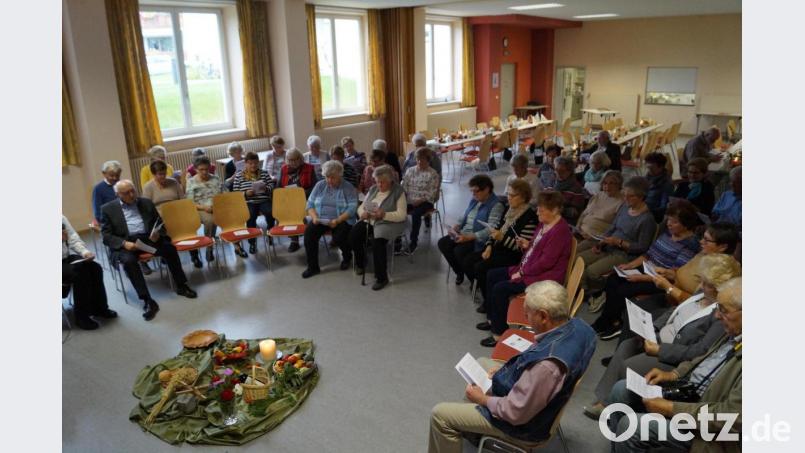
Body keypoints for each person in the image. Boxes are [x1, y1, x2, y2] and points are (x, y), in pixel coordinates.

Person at [428, 281, 596, 453]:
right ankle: (470, 427)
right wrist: (504, 372)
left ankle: (463, 422)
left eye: (528, 314)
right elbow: (535, 360)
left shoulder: (546, 368)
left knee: (440, 416)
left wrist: (482, 399)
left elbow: (515, 413)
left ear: (544, 316)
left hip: (524, 427)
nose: (526, 318)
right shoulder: (582, 329)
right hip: (537, 403)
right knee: (482, 363)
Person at [584, 254, 741, 420]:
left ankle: (613, 406)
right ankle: (605, 399)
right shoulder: (702, 294)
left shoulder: (720, 316)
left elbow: (699, 351)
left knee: (630, 365)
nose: (701, 286)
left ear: (719, 287)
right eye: (701, 281)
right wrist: (652, 328)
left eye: (706, 284)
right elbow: (672, 313)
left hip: (674, 354)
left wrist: (660, 350)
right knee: (627, 345)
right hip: (660, 338)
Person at [605, 277, 742, 453]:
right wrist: (674, 374)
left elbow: (730, 417)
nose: (716, 315)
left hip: (707, 431)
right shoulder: (733, 332)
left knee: (633, 426)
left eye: (723, 310)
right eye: (717, 307)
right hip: (689, 393)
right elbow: (702, 358)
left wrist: (671, 408)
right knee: (621, 389)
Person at [591, 200, 702, 339]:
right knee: (613, 279)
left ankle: (608, 322)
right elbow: (648, 255)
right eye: (668, 220)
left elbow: (674, 274)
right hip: (647, 269)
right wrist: (630, 265)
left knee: (623, 290)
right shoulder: (667, 233)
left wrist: (641, 277)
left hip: (660, 279)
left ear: (686, 225)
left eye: (674, 222)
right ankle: (612, 320)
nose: (669, 224)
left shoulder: (690, 245)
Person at [481, 191, 572, 346]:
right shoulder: (544, 223)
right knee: (491, 275)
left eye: (541, 210)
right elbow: (536, 248)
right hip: (529, 268)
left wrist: (522, 272)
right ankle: (492, 319)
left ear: (555, 210)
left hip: (544, 277)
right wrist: (526, 244)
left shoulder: (560, 231)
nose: (537, 212)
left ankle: (499, 333)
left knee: (500, 289)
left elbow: (546, 263)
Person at [101, 180, 197, 321]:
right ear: (118, 194)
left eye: (133, 190)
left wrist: (158, 233)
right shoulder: (108, 209)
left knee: (169, 249)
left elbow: (160, 224)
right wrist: (123, 243)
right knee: (129, 261)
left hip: (147, 239)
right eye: (126, 193)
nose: (132, 194)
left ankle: (181, 285)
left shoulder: (145, 203)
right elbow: (106, 235)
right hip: (127, 242)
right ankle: (147, 299)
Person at [577, 176, 657, 297]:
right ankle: (581, 290)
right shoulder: (625, 207)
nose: (625, 199)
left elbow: (642, 247)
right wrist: (601, 243)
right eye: (625, 195)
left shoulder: (647, 219)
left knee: (591, 272)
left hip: (624, 255)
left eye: (630, 196)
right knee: (579, 260)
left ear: (641, 197)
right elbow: (613, 227)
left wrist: (619, 242)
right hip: (609, 246)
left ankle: (597, 294)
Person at [466, 179, 538, 312]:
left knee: (481, 267)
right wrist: (488, 246)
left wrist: (502, 238)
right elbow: (496, 230)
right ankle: (486, 293)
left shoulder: (530, 218)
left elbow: (522, 248)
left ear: (523, 198)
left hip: (513, 256)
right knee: (470, 260)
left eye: (512, 195)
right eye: (508, 194)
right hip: (499, 249)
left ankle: (490, 302)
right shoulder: (509, 209)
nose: (508, 198)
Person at [438, 175, 504, 285]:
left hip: (477, 238)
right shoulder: (475, 200)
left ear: (487, 189)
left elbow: (491, 230)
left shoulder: (496, 205)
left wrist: (469, 237)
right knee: (443, 243)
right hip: (465, 233)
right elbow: (464, 215)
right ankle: (459, 272)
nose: (473, 194)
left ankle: (474, 279)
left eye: (476, 191)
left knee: (459, 251)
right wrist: (456, 226)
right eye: (472, 191)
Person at [349, 166, 407, 290]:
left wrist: (384, 214)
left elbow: (402, 215)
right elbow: (362, 206)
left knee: (378, 241)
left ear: (390, 180)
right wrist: (362, 213)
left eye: (382, 182)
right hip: (370, 220)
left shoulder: (398, 191)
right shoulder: (373, 189)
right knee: (354, 234)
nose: (379, 185)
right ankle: (361, 263)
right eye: (377, 181)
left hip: (389, 222)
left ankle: (382, 277)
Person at [302, 160, 358, 278]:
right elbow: (310, 204)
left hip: (342, 219)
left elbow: (353, 208)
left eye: (332, 178)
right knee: (309, 234)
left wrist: (337, 220)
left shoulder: (348, 187)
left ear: (340, 175)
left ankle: (347, 257)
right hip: (321, 219)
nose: (329, 181)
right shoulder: (320, 185)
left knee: (338, 237)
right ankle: (313, 267)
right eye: (327, 177)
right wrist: (315, 217)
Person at [63, 216, 115, 330]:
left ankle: (100, 308)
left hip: (65, 258)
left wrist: (84, 252)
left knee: (95, 268)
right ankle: (82, 317)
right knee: (80, 273)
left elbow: (72, 237)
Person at [232, 151, 275, 256]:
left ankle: (270, 232)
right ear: (245, 163)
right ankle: (252, 243)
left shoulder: (264, 173)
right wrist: (246, 193)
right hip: (249, 201)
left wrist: (266, 188)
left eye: (255, 163)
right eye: (250, 163)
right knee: (250, 215)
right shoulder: (239, 176)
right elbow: (235, 193)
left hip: (263, 200)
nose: (253, 165)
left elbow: (271, 186)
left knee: (270, 211)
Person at [277, 148, 317, 252]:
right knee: (290, 209)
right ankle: (294, 240)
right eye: (290, 160)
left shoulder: (309, 168)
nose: (293, 162)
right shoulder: (284, 169)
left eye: (295, 159)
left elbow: (315, 187)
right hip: (288, 199)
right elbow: (278, 187)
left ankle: (305, 237)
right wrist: (284, 195)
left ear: (300, 158)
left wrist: (302, 193)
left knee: (296, 209)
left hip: (306, 197)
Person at [402, 147, 440, 254]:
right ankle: (399, 240)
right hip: (410, 200)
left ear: (428, 160)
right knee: (398, 210)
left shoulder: (433, 174)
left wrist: (419, 200)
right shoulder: (410, 171)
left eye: (422, 159)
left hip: (425, 202)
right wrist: (406, 198)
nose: (419, 161)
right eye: (418, 159)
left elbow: (432, 193)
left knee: (416, 214)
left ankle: (413, 242)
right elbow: (404, 186)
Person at [185, 156, 221, 267]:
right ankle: (209, 247)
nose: (204, 172)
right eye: (201, 169)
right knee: (210, 220)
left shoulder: (215, 179)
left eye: (206, 169)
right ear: (195, 169)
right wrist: (204, 207)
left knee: (231, 216)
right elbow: (190, 203)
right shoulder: (191, 182)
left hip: (218, 207)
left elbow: (225, 193)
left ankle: (237, 246)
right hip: (201, 208)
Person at [575, 170, 624, 241]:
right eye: (605, 183)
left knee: (571, 251)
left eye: (612, 183)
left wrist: (596, 238)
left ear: (619, 185)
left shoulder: (622, 202)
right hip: (580, 232)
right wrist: (577, 226)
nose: (607, 186)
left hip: (595, 238)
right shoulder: (598, 195)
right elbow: (584, 213)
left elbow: (616, 228)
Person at [551, 156, 586, 224]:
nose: (558, 173)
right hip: (552, 217)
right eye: (556, 169)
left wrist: (560, 210)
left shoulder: (576, 188)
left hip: (566, 222)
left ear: (570, 171)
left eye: (562, 171)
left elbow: (575, 212)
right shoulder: (553, 182)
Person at [643, 152, 674, 222]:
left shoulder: (667, 184)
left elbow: (664, 208)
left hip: (650, 216)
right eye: (647, 168)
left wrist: (645, 211)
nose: (648, 171)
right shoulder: (647, 177)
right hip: (640, 209)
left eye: (651, 168)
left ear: (661, 167)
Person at [92, 160, 122, 225]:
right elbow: (97, 211)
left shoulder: (123, 185)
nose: (115, 178)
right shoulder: (98, 188)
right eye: (111, 175)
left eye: (117, 175)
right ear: (104, 173)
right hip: (110, 221)